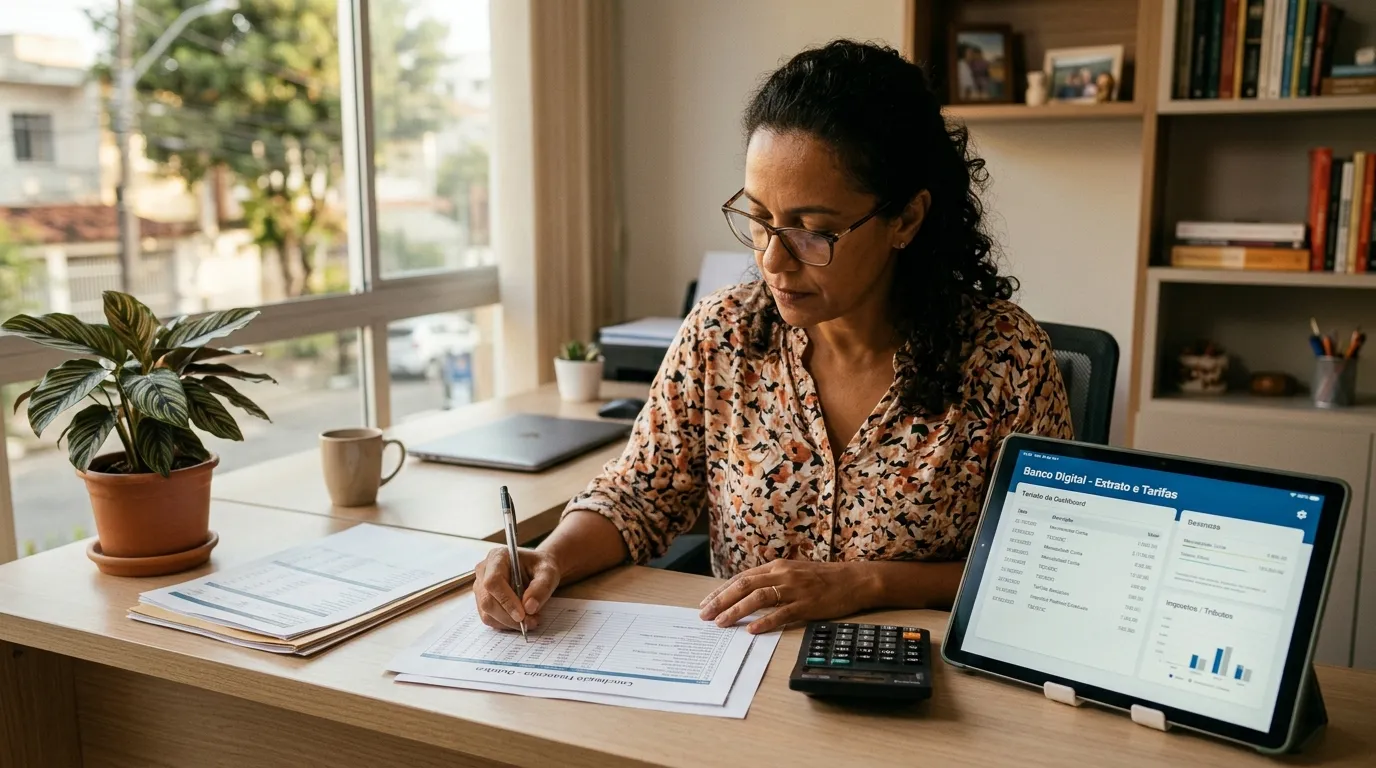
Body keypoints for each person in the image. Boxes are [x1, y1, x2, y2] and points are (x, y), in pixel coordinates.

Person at [473, 40, 1073, 637]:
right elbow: (638, 496)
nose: (772, 260)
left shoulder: (1005, 360)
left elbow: (1042, 569)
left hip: (920, 688)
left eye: (812, 231)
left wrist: (869, 582)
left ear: (906, 220)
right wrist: (550, 555)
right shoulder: (721, 337)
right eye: (759, 219)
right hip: (737, 679)